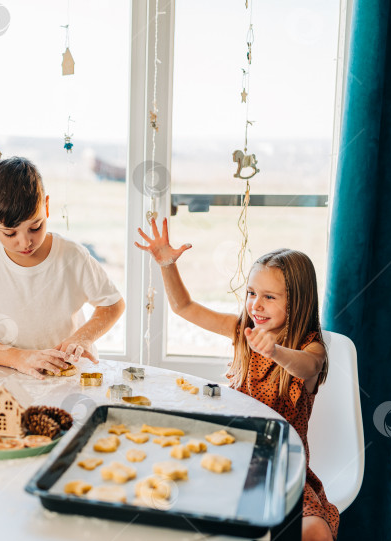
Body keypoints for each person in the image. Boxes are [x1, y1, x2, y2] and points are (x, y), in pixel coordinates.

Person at [136, 217, 338, 541]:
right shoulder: (242, 330)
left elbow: (308, 366)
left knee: (314, 530)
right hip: (228, 450)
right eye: (251, 292)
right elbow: (184, 306)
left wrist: (276, 351)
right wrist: (167, 265)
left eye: (270, 297)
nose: (256, 304)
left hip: (279, 465)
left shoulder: (308, 347)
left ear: (296, 301)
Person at [0, 157, 125, 379]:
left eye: (35, 227)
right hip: (12, 372)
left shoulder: (72, 255)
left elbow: (112, 305)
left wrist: (82, 338)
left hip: (71, 373)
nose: (25, 242)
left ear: (46, 207)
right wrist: (19, 358)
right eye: (10, 233)